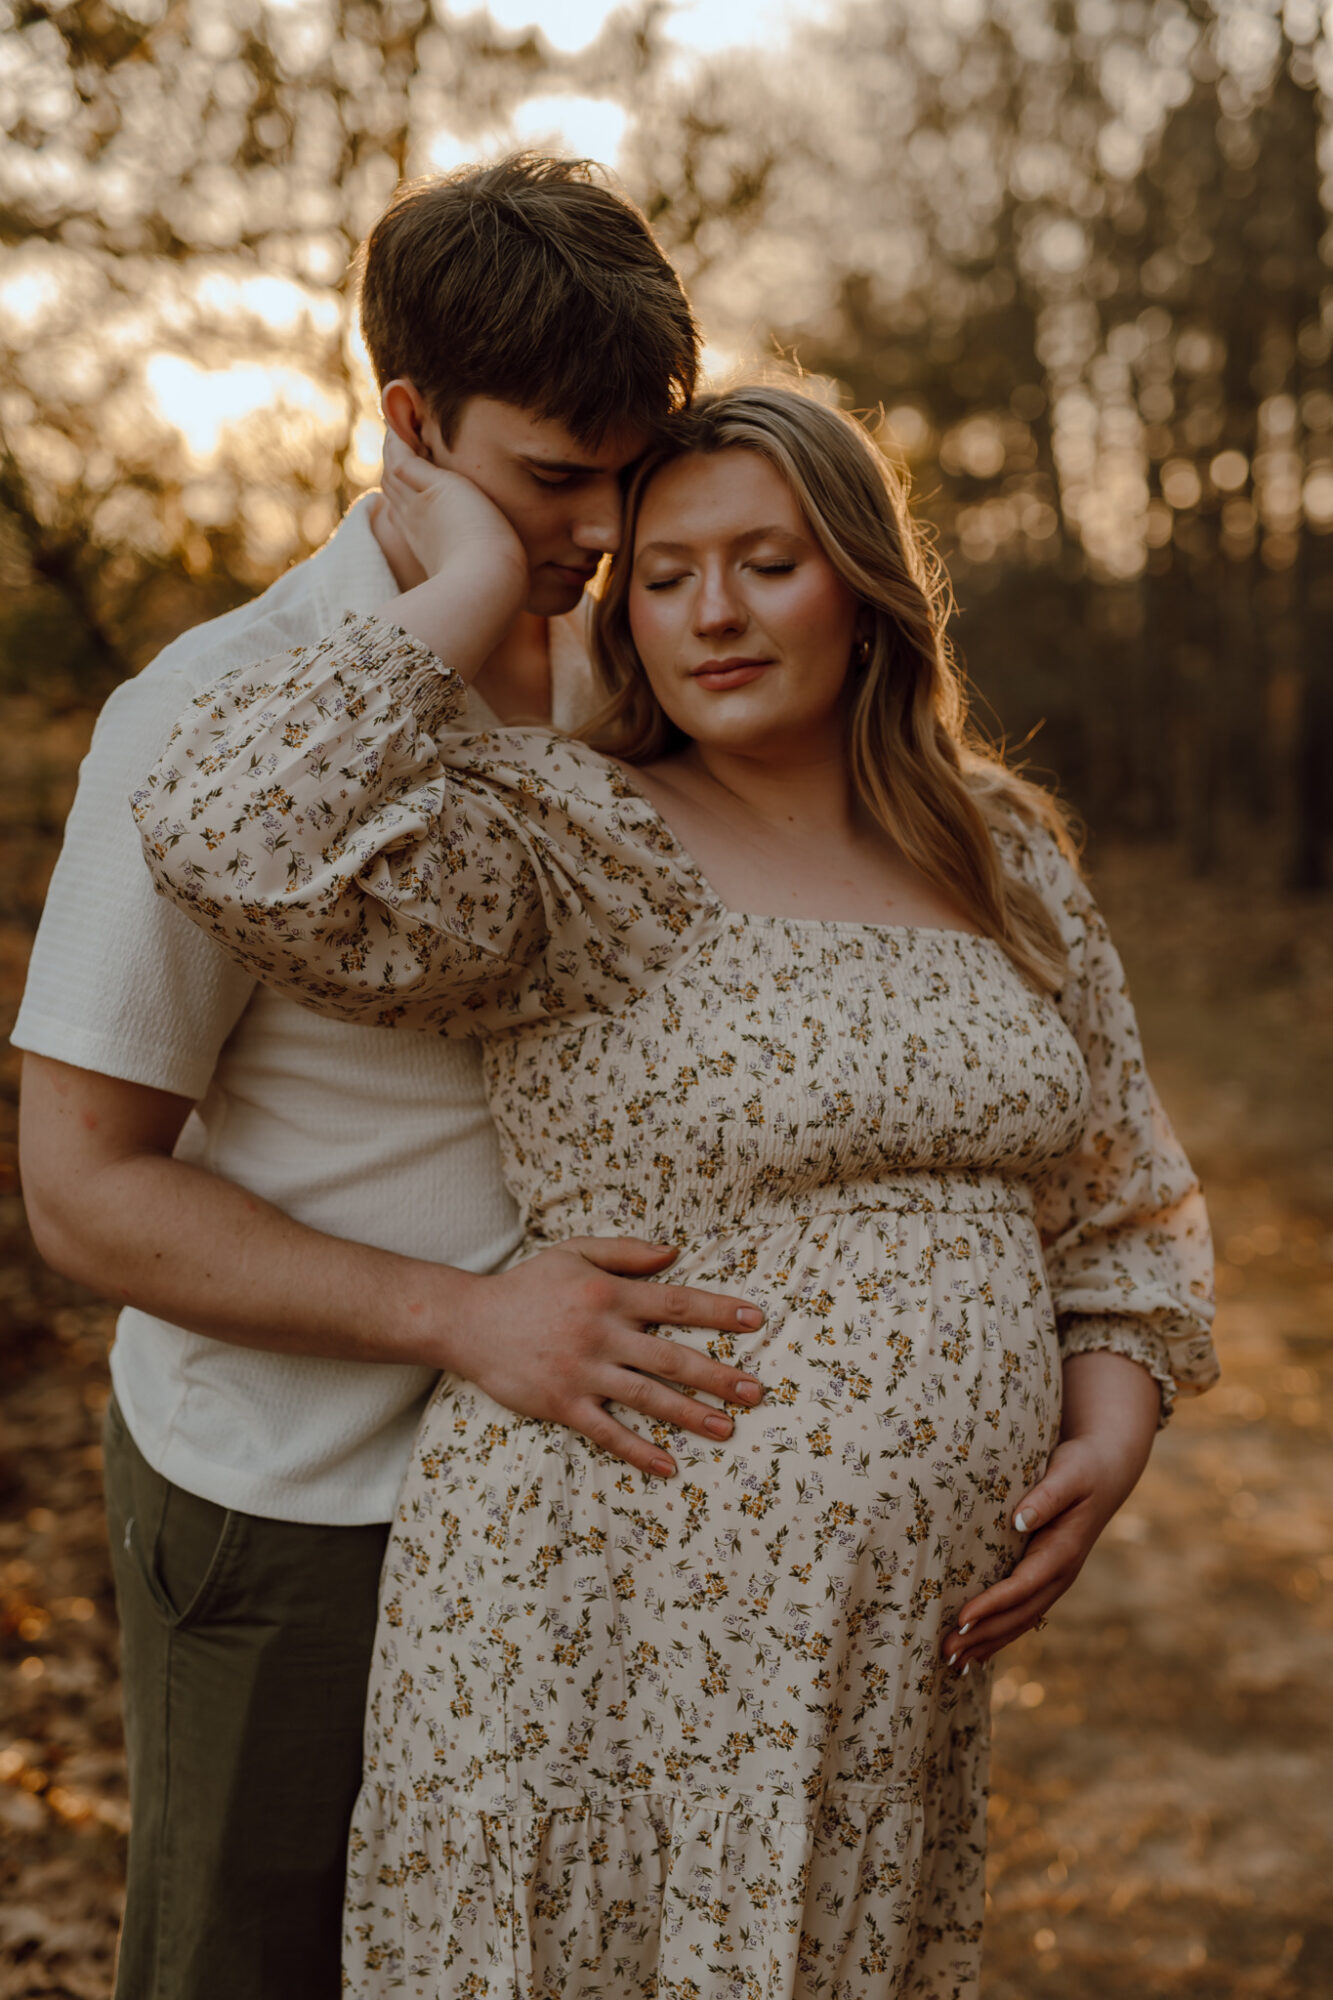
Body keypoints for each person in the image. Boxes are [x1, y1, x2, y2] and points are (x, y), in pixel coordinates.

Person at [134, 382, 1218, 1998]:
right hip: (592, 1614)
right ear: (620, 611)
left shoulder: (994, 847)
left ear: (861, 584)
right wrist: (468, 582)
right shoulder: (576, 840)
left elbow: (1123, 1192)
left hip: (873, 1674)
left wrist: (1113, 1418)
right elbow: (230, 833)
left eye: (767, 563)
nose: (712, 612)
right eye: (663, 573)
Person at [13, 157, 768, 2000]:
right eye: (548, 478)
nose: (602, 524)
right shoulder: (205, 716)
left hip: (609, 1503)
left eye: (632, 465)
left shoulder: (658, 672)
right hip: (300, 1514)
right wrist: (459, 1317)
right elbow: (82, 1184)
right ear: (411, 427)